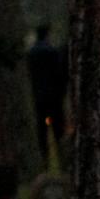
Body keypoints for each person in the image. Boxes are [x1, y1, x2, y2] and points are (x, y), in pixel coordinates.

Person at [25, 25, 69, 167]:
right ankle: (62, 160)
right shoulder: (53, 53)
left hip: (38, 96)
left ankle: (45, 161)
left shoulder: (31, 54)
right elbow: (60, 73)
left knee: (41, 130)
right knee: (58, 129)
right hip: (54, 96)